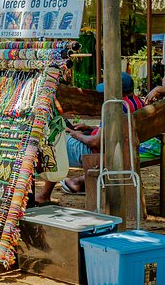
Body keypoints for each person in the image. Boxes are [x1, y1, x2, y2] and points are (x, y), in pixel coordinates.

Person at [36, 72, 144, 203]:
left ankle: (44, 195)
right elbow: (118, 131)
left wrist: (76, 134)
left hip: (100, 152)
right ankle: (68, 186)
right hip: (124, 149)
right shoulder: (138, 104)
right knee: (58, 140)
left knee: (51, 144)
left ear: (117, 89)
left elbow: (95, 142)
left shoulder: (115, 107)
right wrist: (90, 128)